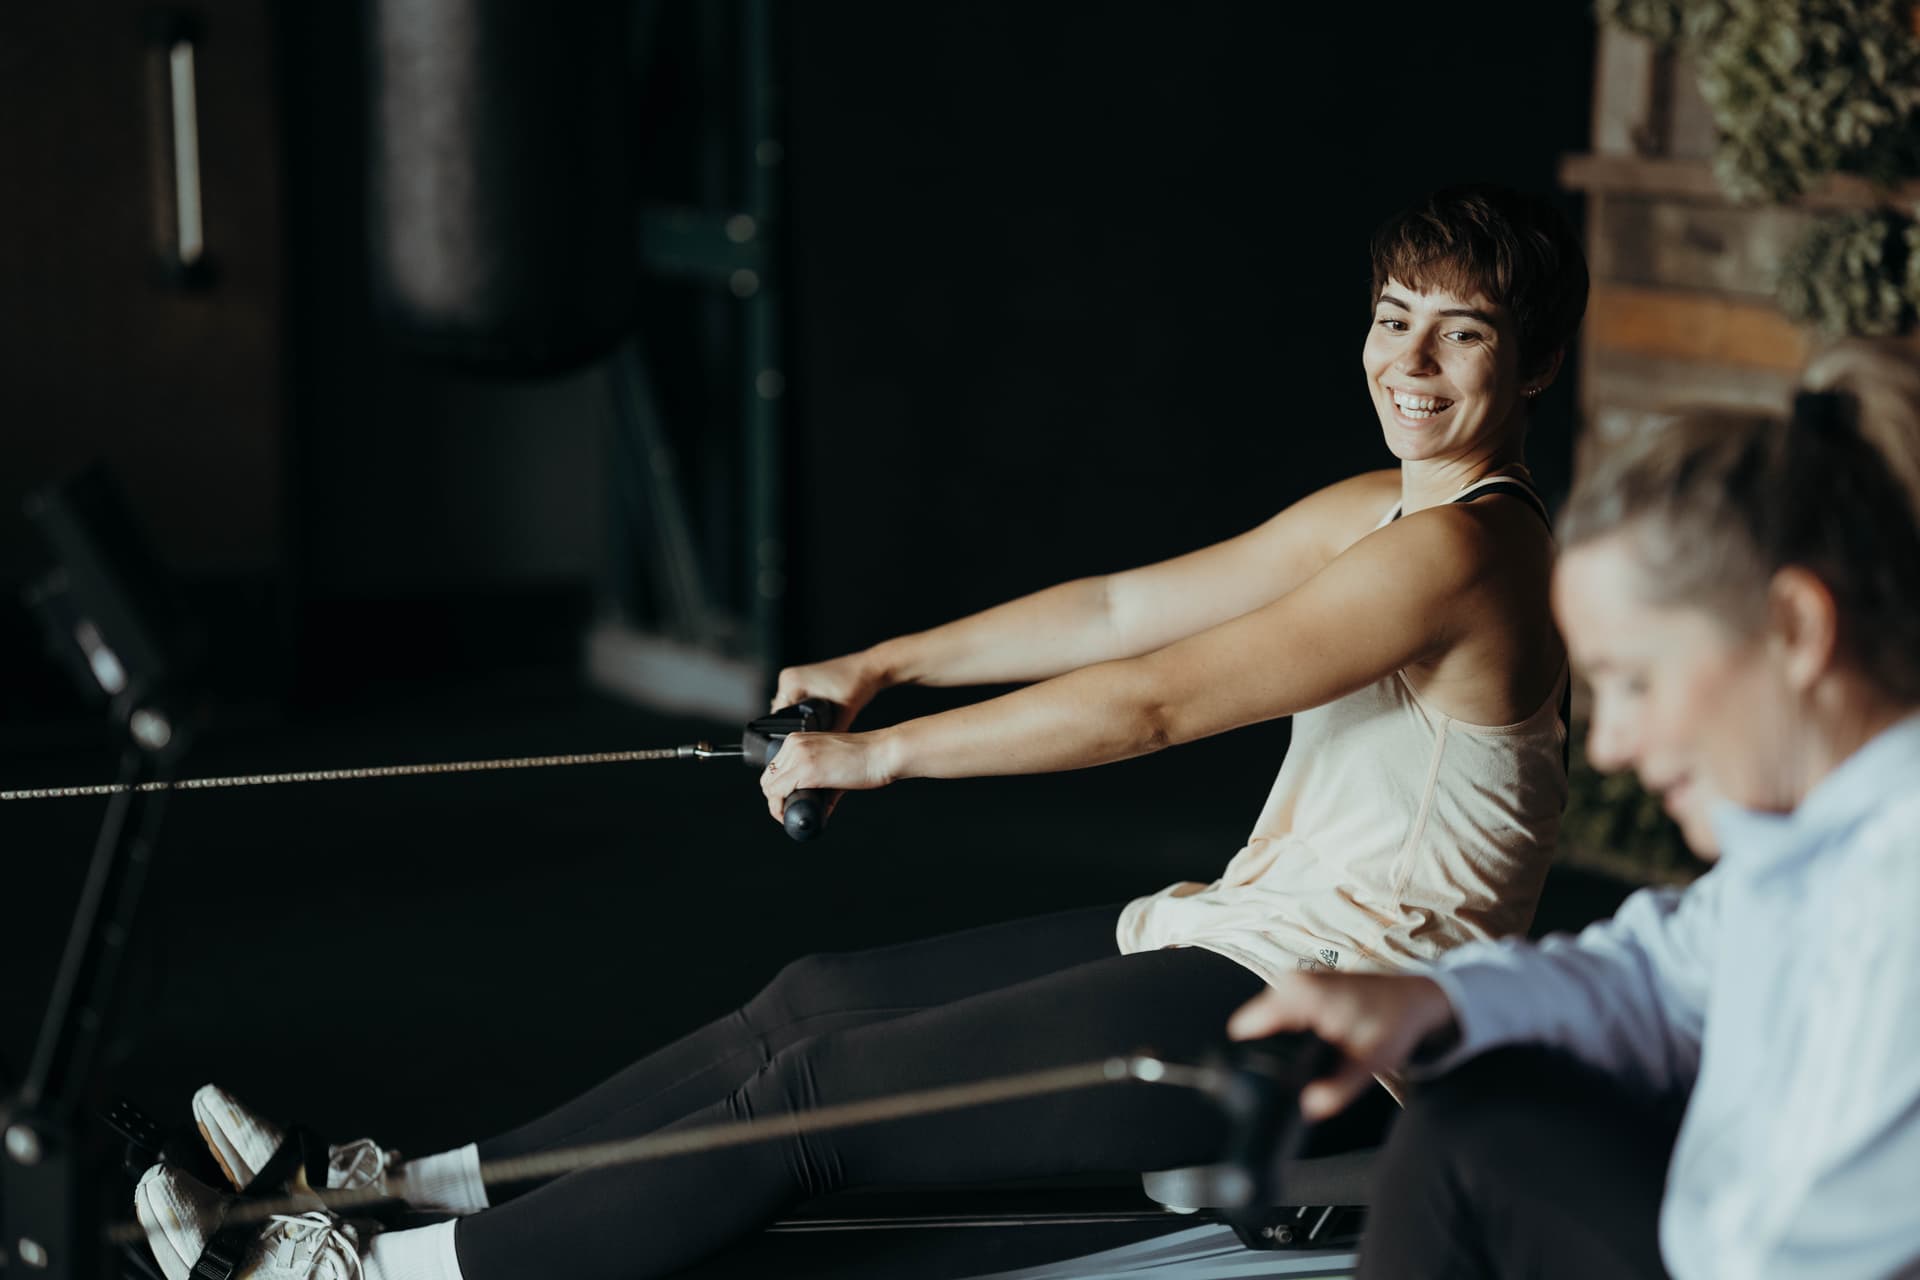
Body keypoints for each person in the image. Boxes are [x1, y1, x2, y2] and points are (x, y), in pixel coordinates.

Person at [132, 184, 1587, 1280]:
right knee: (806, 1001)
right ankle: (387, 1188)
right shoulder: (1387, 508)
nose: (1411, 360)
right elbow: (1121, 609)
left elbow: (1155, 700)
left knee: (809, 1106)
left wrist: (880, 755)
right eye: (1393, 316)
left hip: (1341, 1033)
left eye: (1462, 333)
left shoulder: (1462, 555)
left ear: (1534, 367)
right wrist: (882, 667)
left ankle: (370, 1276)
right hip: (1249, 930)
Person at [1229, 340, 1920, 1279]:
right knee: (1475, 1125)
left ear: (1795, 627)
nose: (1609, 747)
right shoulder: (1806, 849)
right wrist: (1425, 999)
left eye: (1635, 682)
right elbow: (1658, 976)